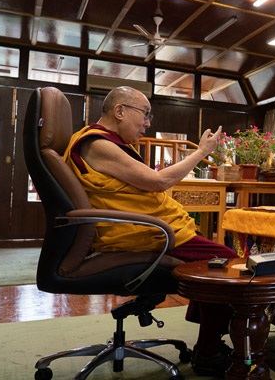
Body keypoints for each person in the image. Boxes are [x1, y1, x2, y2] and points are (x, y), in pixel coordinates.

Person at [63, 86, 237, 376]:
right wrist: (203, 152)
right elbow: (156, 182)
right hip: (145, 232)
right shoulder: (97, 144)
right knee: (227, 265)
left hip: (149, 227)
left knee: (212, 267)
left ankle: (209, 342)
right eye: (144, 114)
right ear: (119, 111)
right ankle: (209, 350)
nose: (147, 123)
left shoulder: (104, 143)